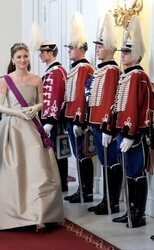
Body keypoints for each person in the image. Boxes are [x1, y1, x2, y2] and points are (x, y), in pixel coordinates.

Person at [0, 42, 64, 231]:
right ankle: (12, 213)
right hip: (11, 127)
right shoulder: (6, 80)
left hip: (32, 127)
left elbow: (42, 102)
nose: (22, 60)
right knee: (12, 173)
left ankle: (40, 214)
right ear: (13, 59)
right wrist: (17, 113)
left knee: (38, 171)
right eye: (18, 57)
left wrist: (35, 107)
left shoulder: (36, 79)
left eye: (25, 56)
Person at [112, 15, 153, 228]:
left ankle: (139, 214)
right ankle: (130, 210)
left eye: (127, 52)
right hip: (123, 130)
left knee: (136, 172)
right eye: (123, 52)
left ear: (136, 53)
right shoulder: (126, 75)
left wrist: (130, 134)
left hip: (134, 133)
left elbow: (139, 108)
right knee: (129, 171)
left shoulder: (138, 76)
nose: (124, 55)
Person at [86, 13, 122, 214]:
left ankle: (112, 202)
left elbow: (111, 101)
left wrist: (108, 128)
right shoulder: (100, 70)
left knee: (111, 162)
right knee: (104, 162)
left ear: (111, 48)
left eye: (101, 45)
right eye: (97, 46)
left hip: (106, 126)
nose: (97, 49)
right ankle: (106, 200)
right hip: (96, 123)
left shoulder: (112, 71)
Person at [63, 12, 95, 203]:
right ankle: (82, 190)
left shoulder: (84, 68)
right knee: (78, 155)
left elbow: (83, 98)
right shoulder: (76, 67)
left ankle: (87, 191)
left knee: (83, 155)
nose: (69, 50)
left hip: (78, 120)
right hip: (70, 117)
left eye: (72, 47)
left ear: (81, 49)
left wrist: (80, 120)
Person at [39, 40, 68, 192]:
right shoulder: (51, 71)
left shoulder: (57, 71)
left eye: (43, 52)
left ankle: (61, 183)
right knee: (53, 152)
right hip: (49, 119)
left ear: (50, 53)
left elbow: (56, 97)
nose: (40, 55)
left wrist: (50, 120)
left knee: (58, 152)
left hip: (54, 120)